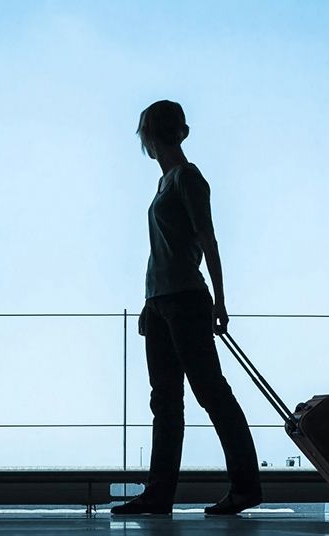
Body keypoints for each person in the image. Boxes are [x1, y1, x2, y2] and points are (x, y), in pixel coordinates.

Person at [111, 100, 263, 516]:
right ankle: (160, 493)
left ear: (151, 136)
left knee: (208, 393)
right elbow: (165, 251)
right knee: (168, 400)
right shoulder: (166, 184)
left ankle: (244, 487)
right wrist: (148, 302)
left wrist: (220, 299)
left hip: (184, 301)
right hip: (163, 303)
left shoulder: (187, 179)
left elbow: (207, 239)